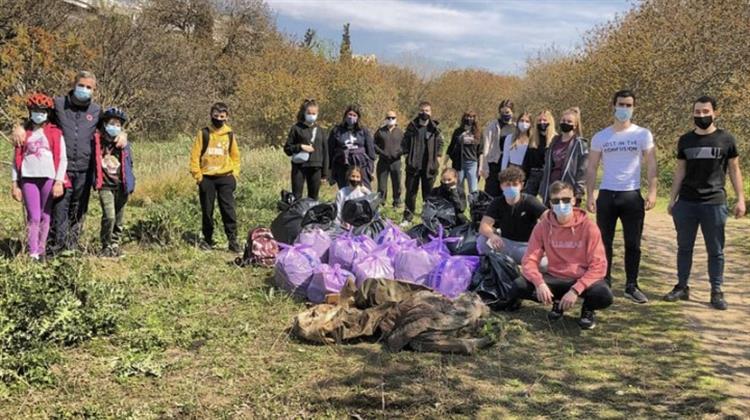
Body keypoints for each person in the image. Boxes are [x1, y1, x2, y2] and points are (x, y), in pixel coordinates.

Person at [12, 71, 128, 256]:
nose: (85, 89)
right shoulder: (59, 104)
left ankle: (71, 249)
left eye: (89, 87)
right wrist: (20, 126)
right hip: (60, 169)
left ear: (94, 90)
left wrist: (123, 134)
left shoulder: (96, 111)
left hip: (85, 168)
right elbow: (39, 114)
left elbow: (108, 130)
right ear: (74, 85)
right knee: (59, 209)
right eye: (81, 85)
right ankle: (54, 248)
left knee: (79, 209)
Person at [664, 96, 746, 310]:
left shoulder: (726, 139)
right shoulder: (685, 140)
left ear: (714, 113)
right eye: (697, 112)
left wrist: (740, 199)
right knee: (684, 247)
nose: (701, 115)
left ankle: (716, 291)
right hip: (687, 203)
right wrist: (672, 199)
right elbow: (680, 170)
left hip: (715, 202)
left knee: (716, 250)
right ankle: (682, 287)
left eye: (705, 111)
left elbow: (735, 170)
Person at [586, 90, 657, 304]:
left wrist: (653, 191)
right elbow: (591, 167)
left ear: (633, 107)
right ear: (613, 106)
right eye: (620, 104)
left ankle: (631, 285)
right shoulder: (601, 136)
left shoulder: (642, 134)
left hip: (632, 195)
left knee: (632, 243)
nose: (624, 109)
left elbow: (652, 164)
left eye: (628, 105)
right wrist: (590, 194)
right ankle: (604, 281)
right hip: (607, 194)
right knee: (604, 242)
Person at [514, 181, 612, 330]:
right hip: (555, 276)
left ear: (573, 200)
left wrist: (575, 290)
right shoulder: (542, 226)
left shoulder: (589, 227)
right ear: (550, 203)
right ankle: (557, 302)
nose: (561, 204)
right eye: (556, 201)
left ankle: (588, 310)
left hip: (581, 278)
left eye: (566, 200)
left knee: (604, 295)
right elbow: (529, 261)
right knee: (518, 286)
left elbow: (599, 265)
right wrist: (539, 283)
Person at [11, 93, 67, 261]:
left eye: (42, 111)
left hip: (48, 178)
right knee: (33, 216)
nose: (39, 114)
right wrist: (15, 184)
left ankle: (41, 250)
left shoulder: (55, 133)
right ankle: (32, 251)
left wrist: (59, 181)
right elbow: (16, 160)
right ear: (30, 112)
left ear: (48, 113)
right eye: (35, 110)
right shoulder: (23, 133)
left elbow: (63, 158)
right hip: (28, 178)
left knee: (45, 214)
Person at [189, 102, 241, 253]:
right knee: (207, 210)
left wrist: (234, 175)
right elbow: (195, 156)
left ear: (227, 117)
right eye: (216, 116)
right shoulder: (203, 133)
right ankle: (207, 239)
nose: (219, 119)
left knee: (228, 210)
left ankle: (232, 241)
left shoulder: (229, 134)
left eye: (222, 117)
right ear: (211, 116)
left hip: (225, 177)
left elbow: (235, 156)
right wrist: (198, 176)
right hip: (207, 178)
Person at [477, 166, 547, 265]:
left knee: (544, 264)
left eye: (515, 184)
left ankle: (511, 262)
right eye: (507, 185)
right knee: (482, 241)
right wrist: (492, 235)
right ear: (501, 186)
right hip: (505, 244)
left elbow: (549, 219)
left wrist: (544, 244)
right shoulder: (497, 202)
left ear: (522, 185)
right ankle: (501, 263)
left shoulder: (530, 201)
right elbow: (484, 226)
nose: (511, 188)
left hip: (526, 246)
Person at [93, 108, 136, 258]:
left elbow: (130, 164)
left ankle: (115, 243)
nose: (115, 127)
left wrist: (130, 183)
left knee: (119, 218)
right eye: (111, 123)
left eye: (118, 125)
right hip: (105, 185)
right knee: (109, 215)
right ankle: (105, 244)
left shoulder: (124, 144)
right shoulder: (97, 142)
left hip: (121, 185)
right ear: (104, 124)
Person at [401, 101, 444, 227]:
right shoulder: (412, 126)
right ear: (419, 111)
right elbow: (404, 142)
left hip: (429, 167)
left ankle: (428, 218)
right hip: (413, 166)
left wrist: (438, 159)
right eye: (422, 110)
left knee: (428, 195)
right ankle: (407, 217)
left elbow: (441, 143)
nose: (424, 113)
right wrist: (406, 155)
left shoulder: (435, 128)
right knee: (411, 192)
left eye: (427, 111)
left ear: (431, 112)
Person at [539, 107, 588, 206]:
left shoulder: (580, 143)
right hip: (551, 187)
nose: (565, 123)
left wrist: (579, 191)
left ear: (575, 125)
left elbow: (583, 169)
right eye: (563, 120)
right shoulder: (554, 141)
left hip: (568, 187)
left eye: (569, 121)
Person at [284, 99, 328, 200]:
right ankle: (297, 215)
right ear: (304, 113)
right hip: (299, 167)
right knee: (297, 196)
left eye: (314, 113)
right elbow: (287, 149)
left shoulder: (320, 130)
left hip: (316, 167)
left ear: (317, 114)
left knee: (313, 198)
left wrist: (325, 174)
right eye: (309, 113)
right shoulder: (296, 128)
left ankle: (311, 215)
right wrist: (300, 147)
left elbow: (325, 153)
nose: (311, 115)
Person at [328, 104, 376, 189]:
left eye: (354, 115)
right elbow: (330, 150)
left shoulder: (363, 130)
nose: (351, 117)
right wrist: (330, 169)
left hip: (361, 165)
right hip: (343, 165)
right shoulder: (337, 130)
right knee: (345, 189)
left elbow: (371, 151)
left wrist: (371, 168)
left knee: (364, 190)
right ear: (345, 116)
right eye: (349, 115)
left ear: (358, 117)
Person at [480, 99, 515, 197]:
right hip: (494, 164)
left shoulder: (515, 127)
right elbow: (486, 146)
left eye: (507, 112)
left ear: (512, 112)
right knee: (491, 194)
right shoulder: (492, 125)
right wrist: (484, 166)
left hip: (509, 164)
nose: (505, 114)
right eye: (502, 112)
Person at [445, 111, 482, 194]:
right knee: (459, 189)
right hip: (459, 163)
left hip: (472, 163)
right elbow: (450, 147)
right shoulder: (458, 132)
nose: (469, 119)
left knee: (473, 189)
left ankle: (474, 206)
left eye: (472, 117)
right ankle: (461, 206)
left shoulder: (478, 133)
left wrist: (481, 166)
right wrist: (445, 162)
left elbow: (480, 151)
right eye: (467, 117)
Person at [374, 110, 404, 207]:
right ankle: (381, 202)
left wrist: (399, 153)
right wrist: (382, 153)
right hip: (383, 161)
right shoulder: (380, 131)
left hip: (396, 161)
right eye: (388, 118)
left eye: (393, 118)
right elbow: (373, 145)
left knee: (397, 183)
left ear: (396, 119)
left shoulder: (400, 132)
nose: (390, 119)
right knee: (382, 185)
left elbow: (406, 145)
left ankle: (397, 202)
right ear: (385, 119)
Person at [525, 110, 556, 196]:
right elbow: (527, 160)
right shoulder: (533, 139)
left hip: (549, 175)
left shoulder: (556, 139)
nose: (542, 122)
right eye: (539, 120)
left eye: (545, 120)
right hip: (534, 174)